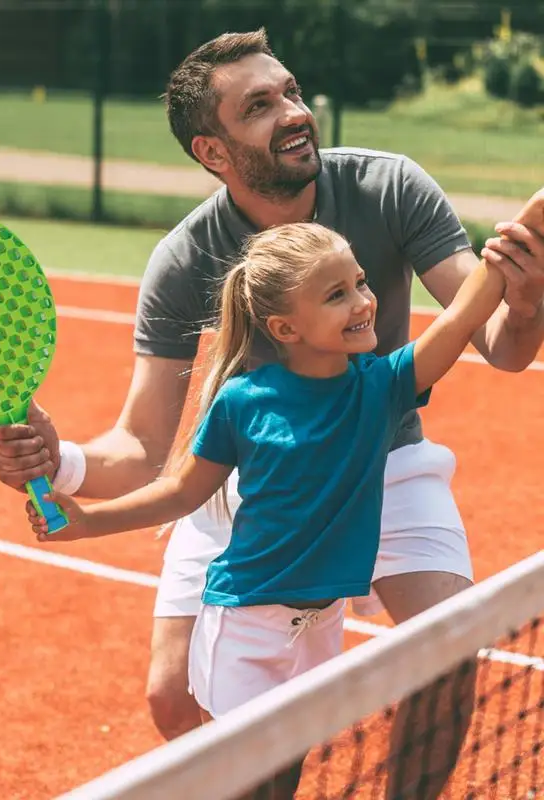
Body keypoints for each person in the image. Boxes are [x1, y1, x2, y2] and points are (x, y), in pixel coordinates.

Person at [0, 28, 544, 798]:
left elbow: (496, 344)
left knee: (446, 652)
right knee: (174, 701)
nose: (293, 112)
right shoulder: (185, 260)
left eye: (290, 92)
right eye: (259, 106)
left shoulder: (391, 187)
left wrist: (523, 302)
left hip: (385, 458)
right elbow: (146, 447)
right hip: (251, 478)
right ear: (213, 151)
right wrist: (65, 465)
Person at [26, 219, 511, 798]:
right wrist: (85, 522)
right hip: (244, 631)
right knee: (247, 785)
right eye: (337, 294)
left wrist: (510, 247)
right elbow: (182, 492)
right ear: (285, 327)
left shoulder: (381, 385)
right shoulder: (242, 402)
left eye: (359, 282)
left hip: (319, 629)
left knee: (287, 775)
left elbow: (458, 319)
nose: (363, 301)